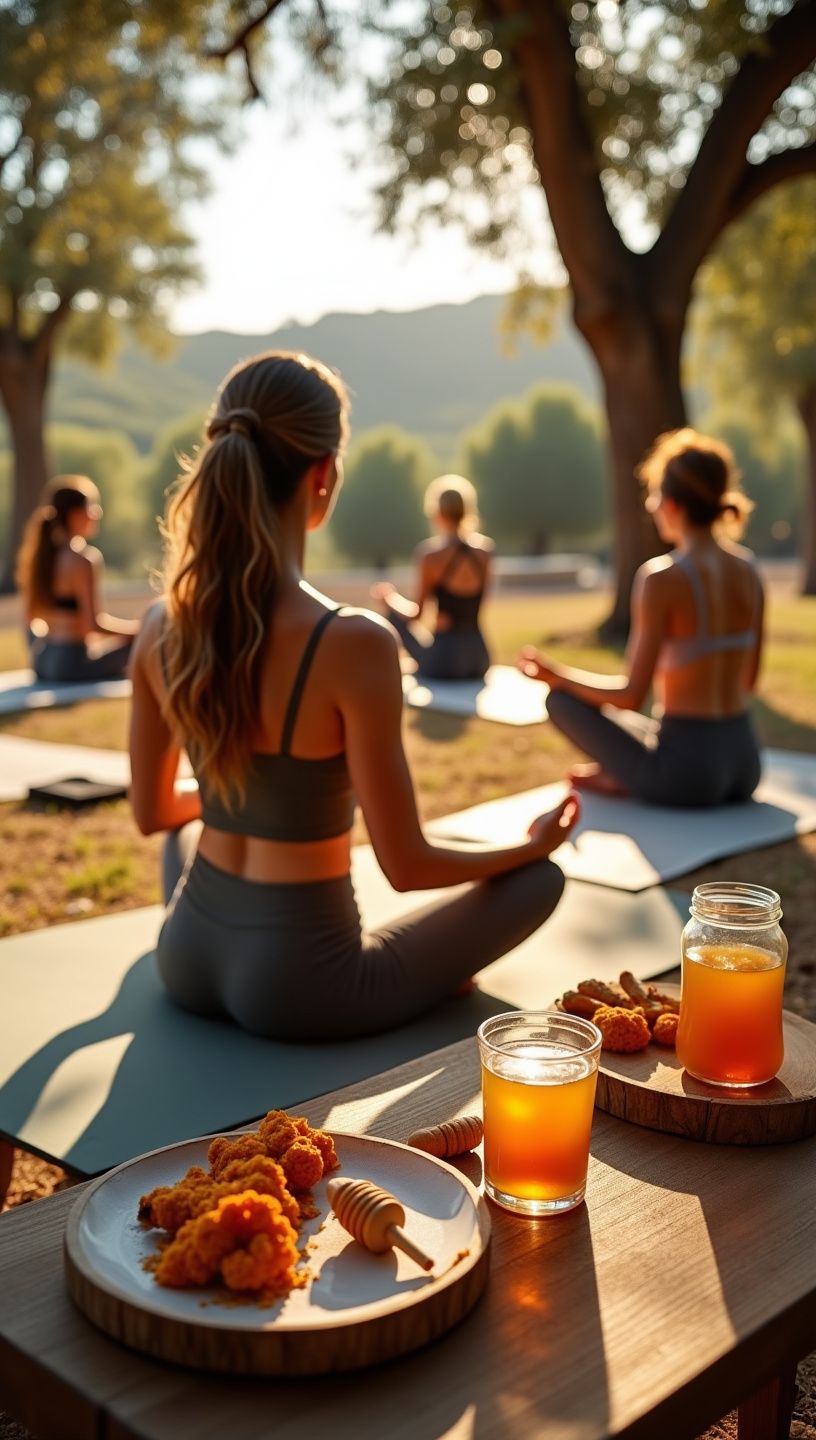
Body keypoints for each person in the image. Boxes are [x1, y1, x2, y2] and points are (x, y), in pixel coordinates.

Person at [128, 351, 579, 1042]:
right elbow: (406, 864)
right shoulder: (353, 641)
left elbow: (155, 811)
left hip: (185, 955)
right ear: (324, 474)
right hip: (305, 985)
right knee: (539, 881)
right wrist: (528, 846)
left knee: (190, 835)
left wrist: (236, 791)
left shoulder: (160, 623)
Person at [518, 428, 763, 808]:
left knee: (561, 702)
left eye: (653, 495)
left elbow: (631, 696)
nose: (649, 506)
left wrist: (557, 675)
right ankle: (626, 772)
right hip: (745, 764)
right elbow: (749, 679)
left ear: (672, 505)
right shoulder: (748, 570)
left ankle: (625, 777)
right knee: (636, 729)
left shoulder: (662, 577)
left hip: (688, 778)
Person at [16, 475, 139, 682]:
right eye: (91, 507)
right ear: (75, 515)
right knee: (150, 639)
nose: (97, 513)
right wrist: (137, 630)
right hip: (71, 664)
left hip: (43, 660)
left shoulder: (43, 556)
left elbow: (28, 617)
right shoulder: (83, 560)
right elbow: (92, 625)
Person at [371, 474, 493, 680]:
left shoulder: (430, 555)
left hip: (446, 662)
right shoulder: (486, 551)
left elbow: (415, 614)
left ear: (437, 513)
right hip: (479, 658)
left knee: (392, 616)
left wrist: (389, 599)